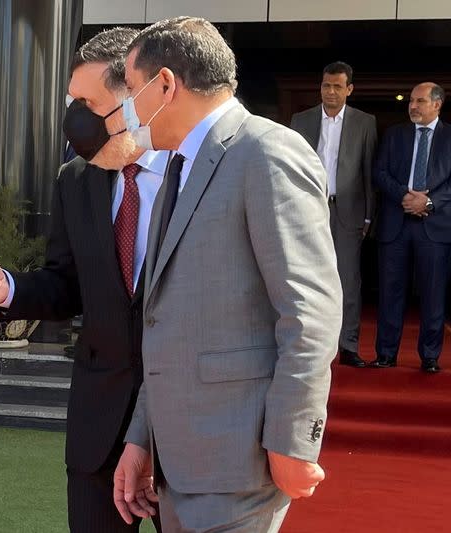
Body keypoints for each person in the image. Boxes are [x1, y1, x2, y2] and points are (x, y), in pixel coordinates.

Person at [110, 17, 342, 532]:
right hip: (177, 463)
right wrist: (143, 437)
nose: (127, 106)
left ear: (165, 84)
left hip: (240, 459)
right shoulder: (176, 166)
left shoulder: (266, 152)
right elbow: (165, 320)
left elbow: (311, 311)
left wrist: (291, 439)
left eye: (130, 88)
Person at [0, 28, 162, 533]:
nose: (77, 121)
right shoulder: (75, 178)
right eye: (73, 103)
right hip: (100, 417)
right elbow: (66, 283)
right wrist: (9, 288)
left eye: (89, 104)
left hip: (184, 418)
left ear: (139, 96)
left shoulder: (199, 171)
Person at [290, 61, 377, 368]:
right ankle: (308, 345)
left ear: (349, 89)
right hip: (307, 209)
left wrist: (369, 216)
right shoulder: (300, 121)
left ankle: (348, 345)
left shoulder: (365, 123)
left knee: (348, 280)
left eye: (337, 86)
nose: (330, 91)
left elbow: (368, 171)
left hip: (348, 211)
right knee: (304, 278)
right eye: (326, 85)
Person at [372, 82, 450, 374]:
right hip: (396, 225)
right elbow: (379, 172)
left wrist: (428, 202)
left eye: (420, 101)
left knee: (433, 293)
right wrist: (404, 196)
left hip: (435, 227)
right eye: (412, 101)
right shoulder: (394, 135)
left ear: (437, 104)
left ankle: (429, 356)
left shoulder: (450, 137)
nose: (413, 106)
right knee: (390, 292)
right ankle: (386, 353)